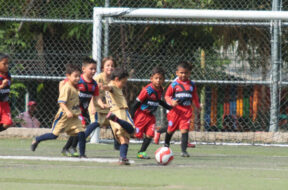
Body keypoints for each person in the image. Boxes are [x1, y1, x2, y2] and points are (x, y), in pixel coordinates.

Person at [30, 64, 87, 158]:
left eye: (78, 76)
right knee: (54, 135)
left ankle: (82, 154)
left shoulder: (76, 87)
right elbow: (61, 102)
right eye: (75, 76)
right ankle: (37, 139)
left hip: (74, 117)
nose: (77, 78)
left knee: (81, 133)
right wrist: (67, 111)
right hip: (64, 116)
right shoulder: (67, 87)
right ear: (68, 76)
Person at [60, 58, 107, 157]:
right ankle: (74, 149)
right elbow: (62, 84)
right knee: (80, 128)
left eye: (95, 69)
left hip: (83, 110)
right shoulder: (78, 80)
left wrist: (102, 105)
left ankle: (66, 148)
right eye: (91, 69)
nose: (93, 71)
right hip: (74, 110)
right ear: (83, 69)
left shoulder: (94, 84)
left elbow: (97, 97)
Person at [130, 67, 172, 159]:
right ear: (151, 79)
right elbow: (136, 103)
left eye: (160, 78)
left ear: (163, 80)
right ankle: (121, 138)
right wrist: (131, 117)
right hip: (141, 115)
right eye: (156, 78)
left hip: (151, 117)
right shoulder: (147, 90)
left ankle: (141, 152)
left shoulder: (160, 89)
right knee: (135, 135)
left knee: (150, 134)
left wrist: (169, 107)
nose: (158, 80)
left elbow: (158, 101)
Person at [163, 61, 200, 157]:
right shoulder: (174, 84)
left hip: (186, 111)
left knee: (185, 130)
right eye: (181, 73)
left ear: (189, 73)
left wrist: (197, 106)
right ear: (177, 73)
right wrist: (171, 102)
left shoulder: (192, 84)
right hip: (175, 112)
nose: (183, 75)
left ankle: (184, 151)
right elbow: (167, 95)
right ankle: (166, 146)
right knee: (170, 130)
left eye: (186, 73)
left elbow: (195, 96)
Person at [104, 68, 135, 165]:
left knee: (123, 139)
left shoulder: (111, 85)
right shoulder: (114, 86)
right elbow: (111, 88)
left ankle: (123, 158)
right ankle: (116, 119)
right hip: (120, 112)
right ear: (116, 79)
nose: (124, 84)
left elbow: (109, 89)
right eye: (123, 82)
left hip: (112, 113)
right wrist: (105, 87)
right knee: (132, 130)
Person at [88, 57, 120, 150]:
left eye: (112, 66)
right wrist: (92, 106)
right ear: (102, 68)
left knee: (115, 123)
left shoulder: (114, 80)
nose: (110, 67)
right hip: (96, 107)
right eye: (108, 65)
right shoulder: (98, 78)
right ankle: (80, 139)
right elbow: (90, 94)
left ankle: (117, 145)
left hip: (107, 108)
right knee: (95, 125)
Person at [0, 53, 13, 132]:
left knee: (8, 122)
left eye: (7, 63)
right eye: (4, 64)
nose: (7, 66)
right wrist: (1, 86)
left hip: (4, 104)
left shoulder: (8, 75)